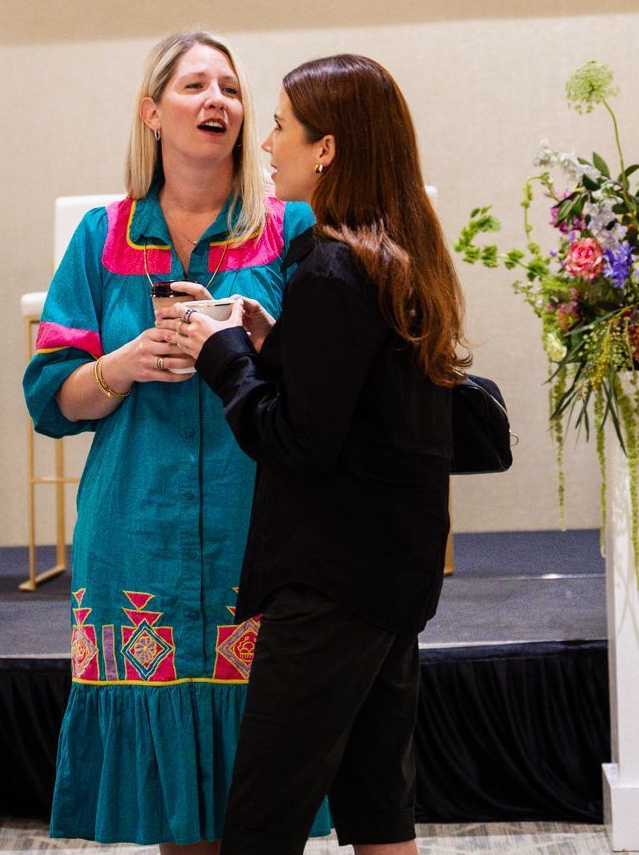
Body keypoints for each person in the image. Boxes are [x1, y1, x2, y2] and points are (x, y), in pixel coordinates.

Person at [23, 31, 330, 851]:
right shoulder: (101, 235)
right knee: (175, 807)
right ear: (152, 113)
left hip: (257, 527)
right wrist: (121, 366)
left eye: (229, 88)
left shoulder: (294, 230)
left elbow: (333, 389)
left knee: (266, 781)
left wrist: (263, 349)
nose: (216, 102)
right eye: (195, 86)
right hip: (136, 534)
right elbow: (50, 401)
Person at [175, 53, 468, 855]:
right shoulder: (397, 255)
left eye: (279, 126)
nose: (266, 144)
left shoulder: (335, 267)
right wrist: (277, 346)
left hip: (333, 581)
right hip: (388, 574)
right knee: (378, 812)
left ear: (327, 149)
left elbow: (296, 441)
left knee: (262, 825)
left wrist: (223, 351)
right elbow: (358, 402)